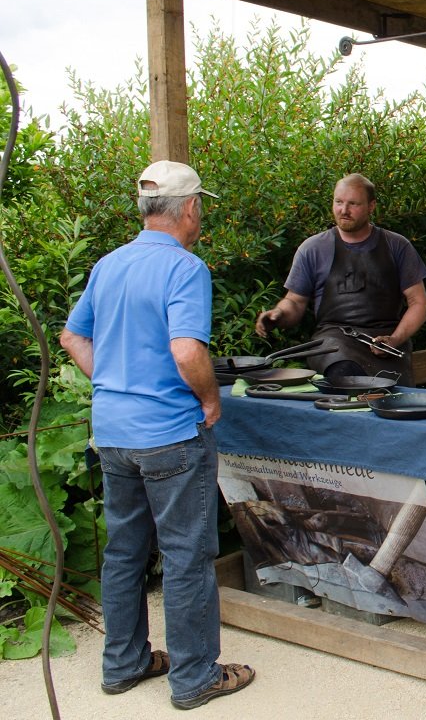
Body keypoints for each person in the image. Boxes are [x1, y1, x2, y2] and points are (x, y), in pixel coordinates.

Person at [60, 160, 255, 710]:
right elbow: (187, 350)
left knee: (124, 552)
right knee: (187, 556)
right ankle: (195, 677)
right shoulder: (185, 268)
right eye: (202, 207)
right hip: (170, 435)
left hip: (114, 435)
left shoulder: (108, 265)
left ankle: (125, 664)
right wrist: (210, 398)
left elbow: (74, 338)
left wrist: (117, 383)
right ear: (190, 208)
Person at [255, 173, 426, 380]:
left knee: (392, 395)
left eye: (353, 204)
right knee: (344, 372)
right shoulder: (313, 248)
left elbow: (419, 303)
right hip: (333, 342)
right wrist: (279, 314)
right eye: (338, 202)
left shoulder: (397, 246)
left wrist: (395, 339)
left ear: (371, 206)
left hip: (386, 342)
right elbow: (294, 300)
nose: (343, 210)